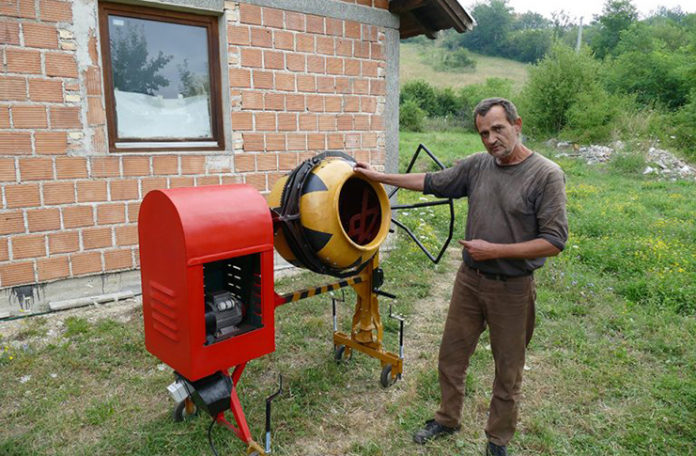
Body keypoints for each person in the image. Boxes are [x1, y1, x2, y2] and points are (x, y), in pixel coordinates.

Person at [353, 98, 568, 456]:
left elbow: (554, 241)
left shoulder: (546, 174)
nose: (491, 140)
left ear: (517, 124)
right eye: (484, 133)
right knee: (451, 356)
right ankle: (447, 419)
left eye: (498, 129)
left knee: (508, 370)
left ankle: (497, 440)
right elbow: (431, 181)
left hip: (512, 289)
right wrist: (378, 176)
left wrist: (495, 250)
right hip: (470, 280)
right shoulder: (478, 166)